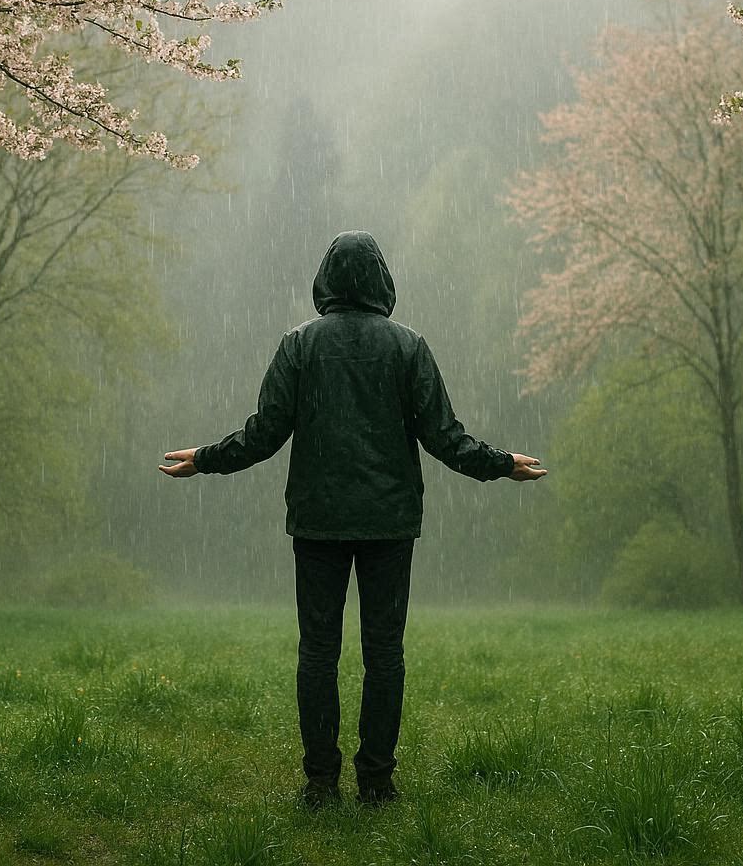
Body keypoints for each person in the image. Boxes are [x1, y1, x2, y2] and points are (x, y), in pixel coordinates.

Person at [158, 229, 546, 808]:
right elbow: (444, 436)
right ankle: (377, 783)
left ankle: (320, 784)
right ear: (382, 280)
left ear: (326, 279)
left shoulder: (299, 345)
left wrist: (206, 459)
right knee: (384, 653)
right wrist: (501, 464)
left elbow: (264, 434)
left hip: (318, 523)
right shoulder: (408, 347)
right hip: (390, 524)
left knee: (318, 652)